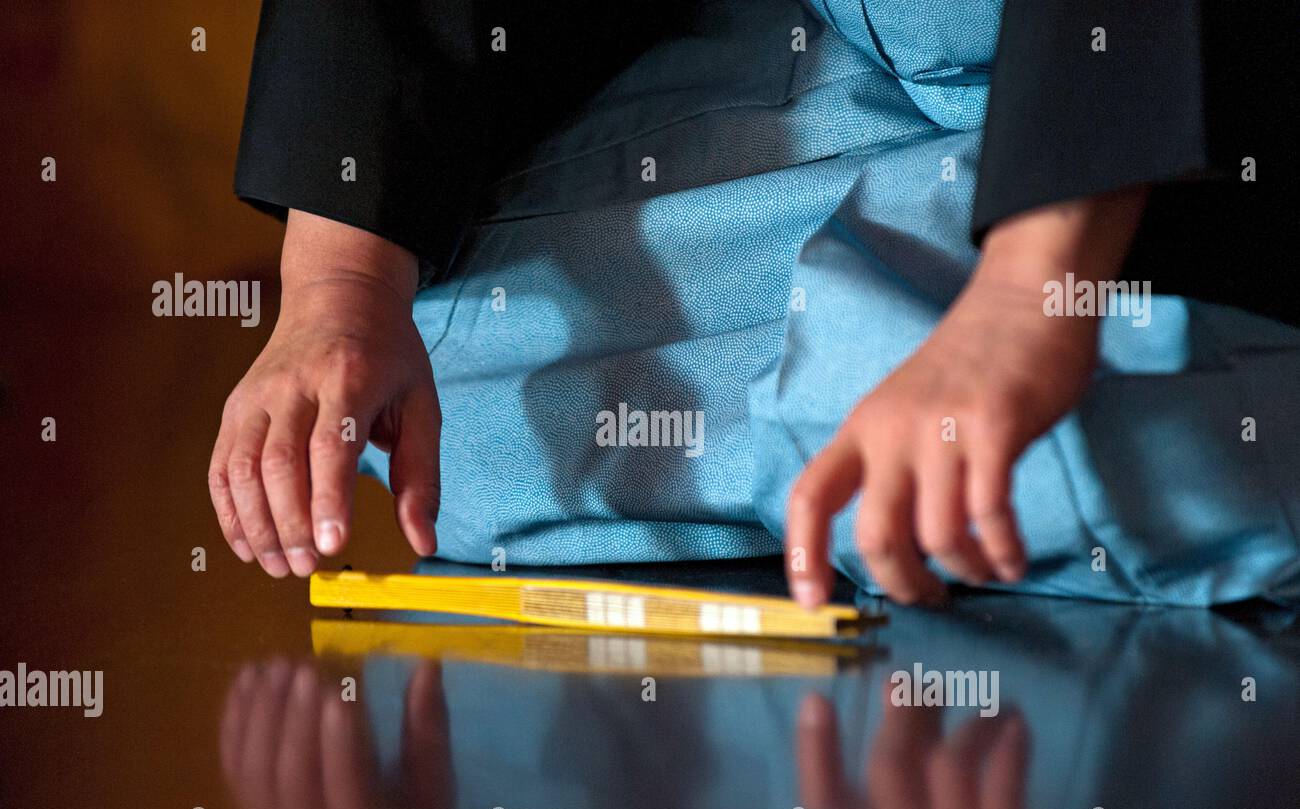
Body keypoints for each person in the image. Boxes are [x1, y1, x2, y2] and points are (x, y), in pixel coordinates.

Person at [211, 0, 1297, 605]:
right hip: (831, 41)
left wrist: (1029, 290)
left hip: (1155, 65)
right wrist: (340, 285)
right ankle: (877, 394)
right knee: (464, 371)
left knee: (1049, 443)